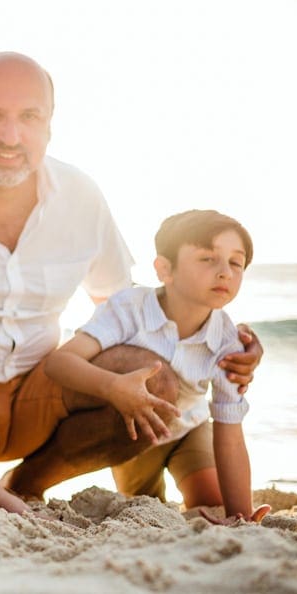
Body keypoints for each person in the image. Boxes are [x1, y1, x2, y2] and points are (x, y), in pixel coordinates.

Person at [0, 51, 264, 499]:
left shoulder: (80, 195)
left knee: (150, 381)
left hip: (46, 387)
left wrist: (220, 347)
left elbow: (126, 305)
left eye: (29, 116)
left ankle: (30, 482)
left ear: (49, 123)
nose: (11, 136)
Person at [45, 210, 271, 522]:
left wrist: (240, 515)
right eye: (208, 259)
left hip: (190, 429)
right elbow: (59, 362)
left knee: (212, 499)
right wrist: (113, 388)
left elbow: (230, 433)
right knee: (146, 504)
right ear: (165, 269)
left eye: (236, 262)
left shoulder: (229, 343)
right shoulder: (129, 308)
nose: (225, 273)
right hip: (137, 432)